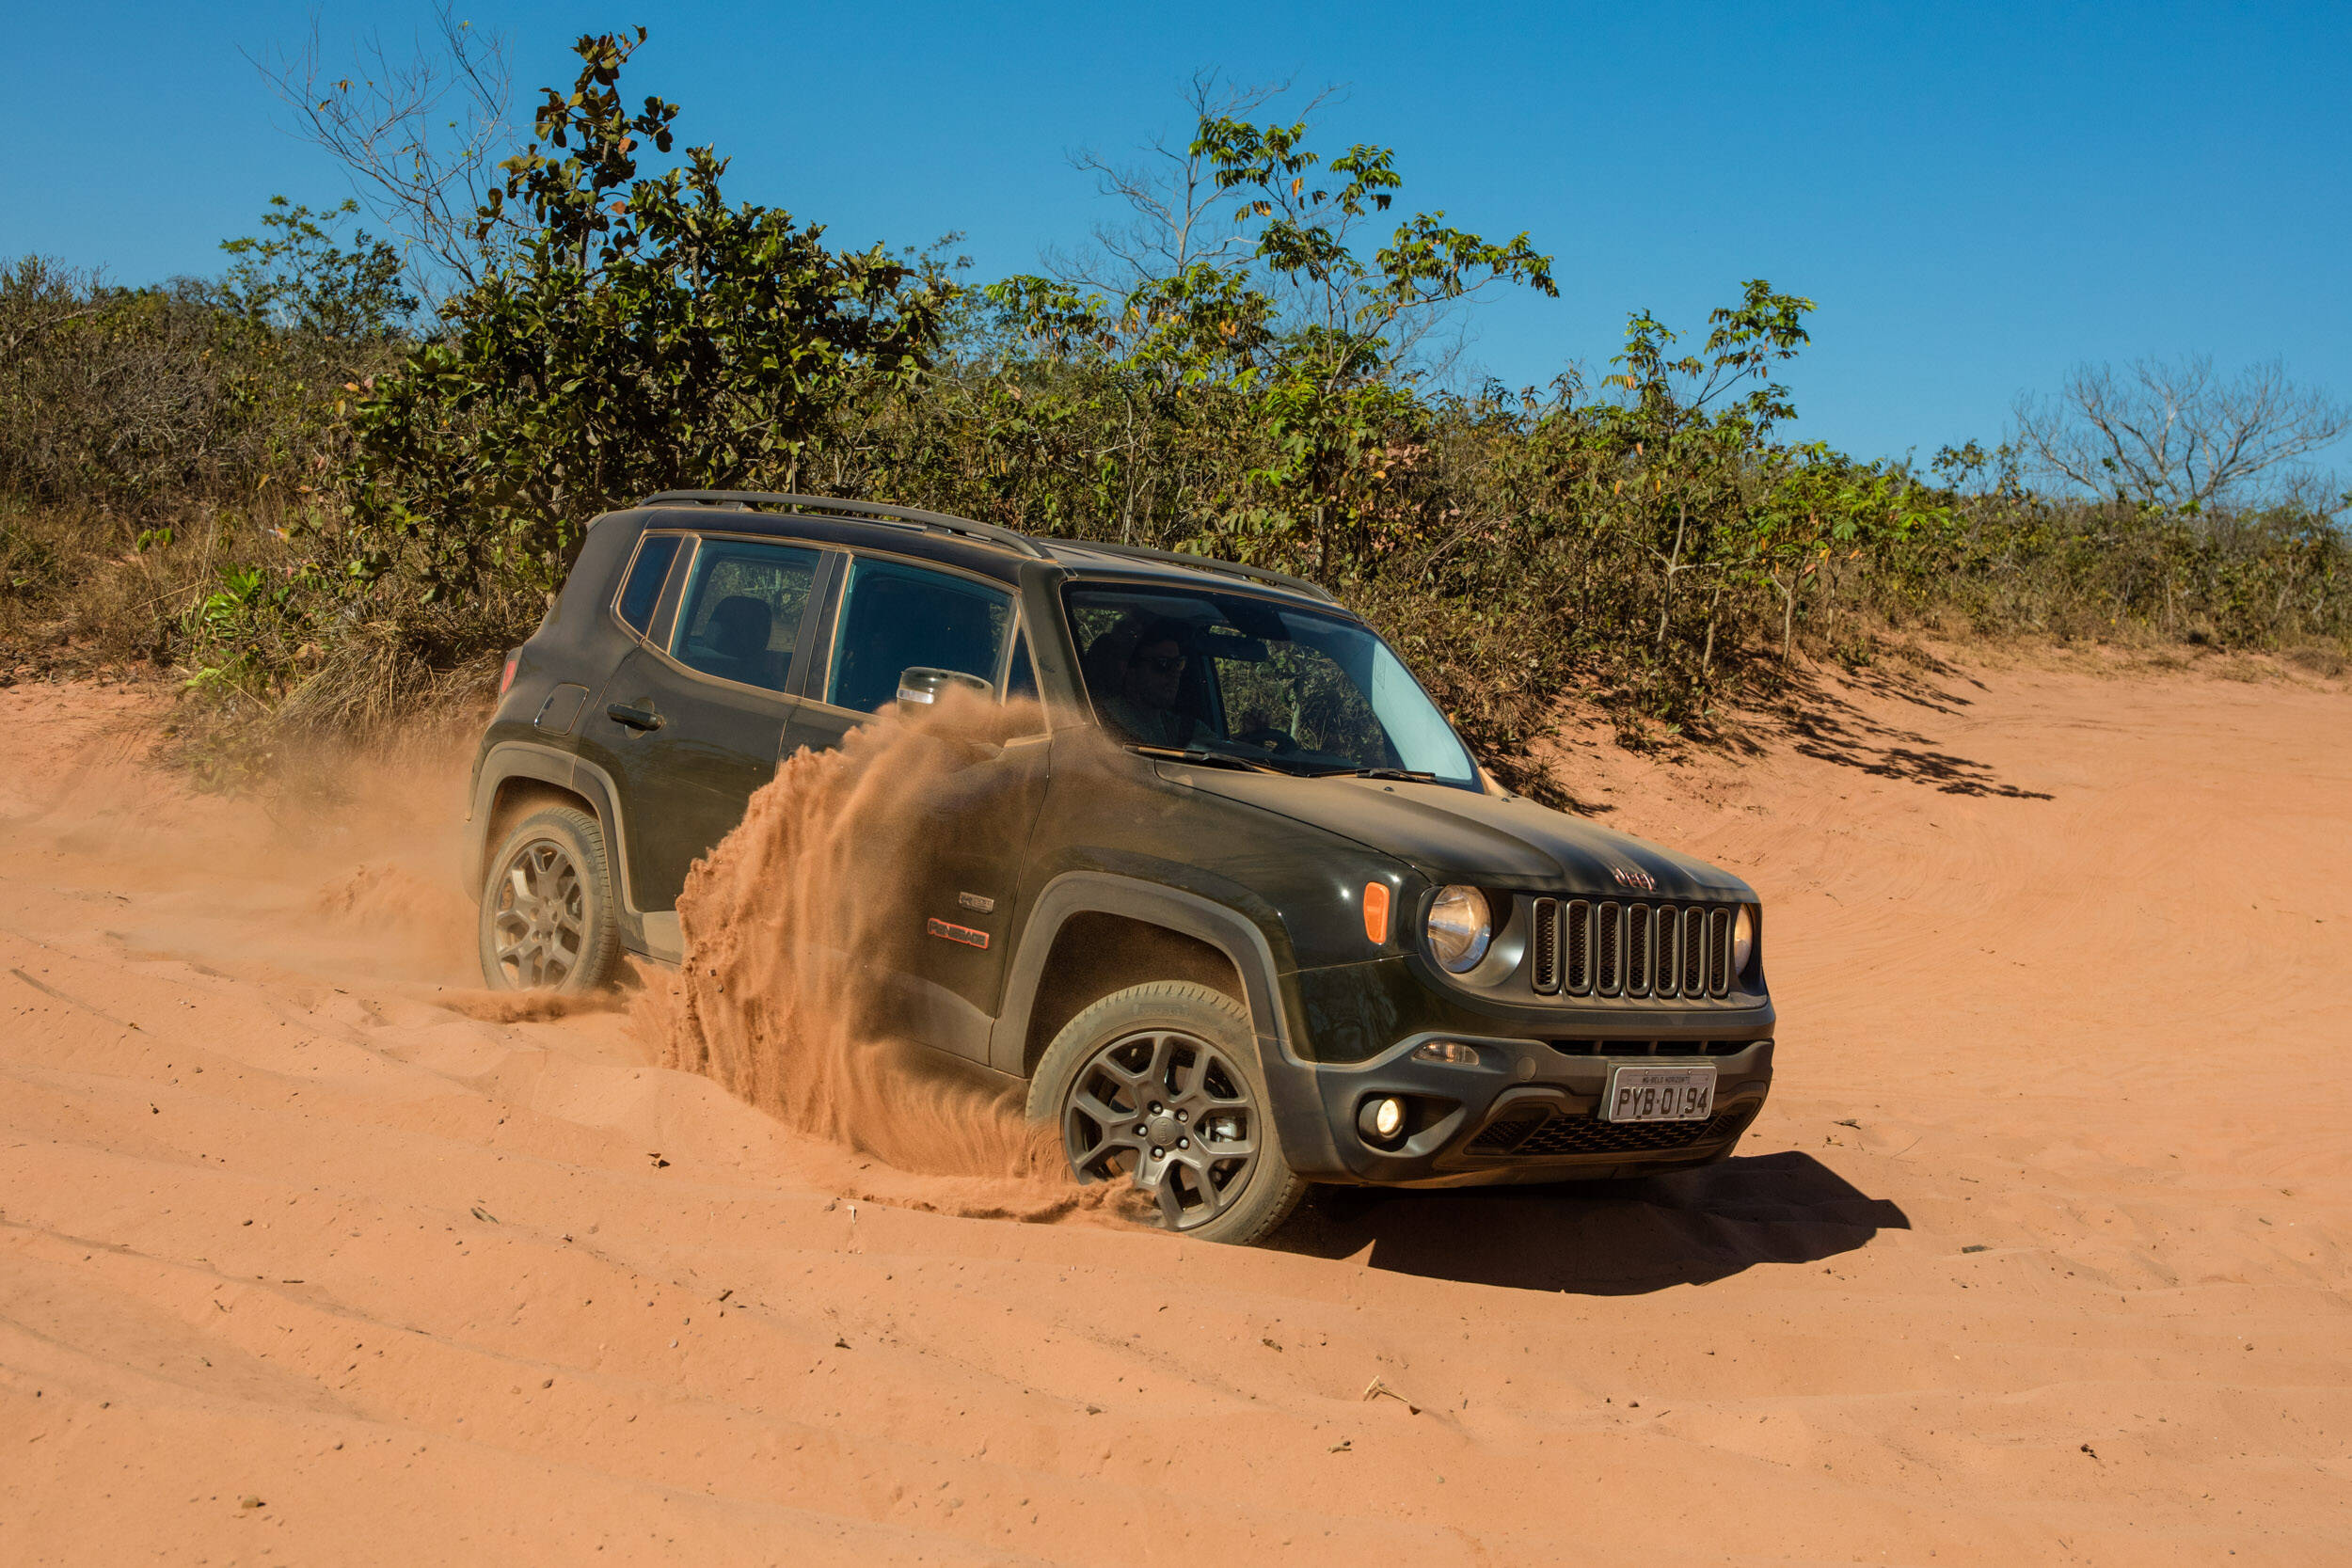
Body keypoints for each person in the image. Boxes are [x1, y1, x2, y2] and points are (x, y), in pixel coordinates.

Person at [1094, 617, 1208, 748]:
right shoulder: (1105, 722)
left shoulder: (1183, 727)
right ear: (1130, 669)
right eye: (1163, 663)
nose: (1175, 673)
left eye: (1178, 664)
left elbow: (1221, 748)